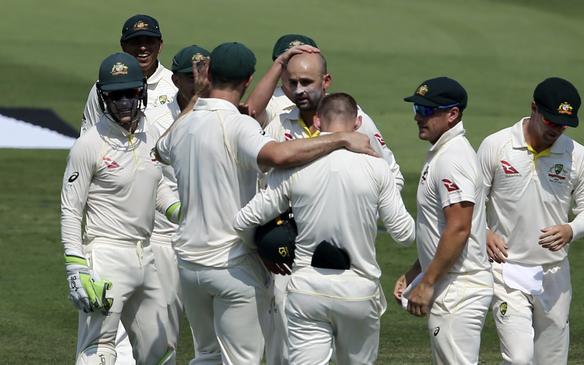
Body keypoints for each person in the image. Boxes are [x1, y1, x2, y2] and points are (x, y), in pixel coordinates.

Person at [155, 42, 376, 364]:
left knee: (206, 356)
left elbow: (160, 149)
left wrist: (195, 99)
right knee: (242, 360)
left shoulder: (183, 124)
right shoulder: (239, 125)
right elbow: (278, 154)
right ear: (247, 81)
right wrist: (341, 138)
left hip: (189, 265)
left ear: (209, 76)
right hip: (231, 263)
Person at [233, 92, 415, 364]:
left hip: (306, 291)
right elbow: (404, 235)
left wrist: (262, 248)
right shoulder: (378, 168)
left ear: (317, 121)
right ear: (358, 123)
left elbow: (243, 221)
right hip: (358, 292)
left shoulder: (294, 168)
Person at [61, 52, 178, 365]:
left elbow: (158, 184)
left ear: (141, 92)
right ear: (103, 97)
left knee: (160, 352)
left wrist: (179, 211)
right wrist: (76, 266)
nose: (124, 102)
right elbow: (71, 209)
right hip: (106, 257)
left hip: (145, 255)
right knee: (98, 350)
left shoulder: (149, 132)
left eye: (130, 93)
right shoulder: (89, 144)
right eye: (116, 95)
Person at [477, 77, 584, 364]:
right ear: (533, 108)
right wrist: (483, 231)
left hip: (554, 274)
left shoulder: (577, 155)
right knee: (520, 359)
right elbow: (472, 202)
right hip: (507, 271)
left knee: (551, 360)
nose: (556, 130)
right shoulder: (497, 145)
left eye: (562, 124)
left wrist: (572, 229)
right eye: (550, 121)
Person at [394, 77, 493, 364]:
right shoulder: (442, 152)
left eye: (427, 111)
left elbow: (459, 228)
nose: (417, 117)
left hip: (459, 288)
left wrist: (428, 283)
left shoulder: (453, 159)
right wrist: (417, 272)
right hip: (451, 282)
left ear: (452, 115)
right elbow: (437, 228)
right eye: (417, 108)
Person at [246, 36, 404, 190]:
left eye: (306, 82)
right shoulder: (282, 122)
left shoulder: (351, 117)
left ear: (326, 81)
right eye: (294, 83)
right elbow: (258, 170)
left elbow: (392, 176)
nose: (299, 90)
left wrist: (363, 210)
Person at [144, 44, 212, 357]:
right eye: (191, 76)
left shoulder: (226, 115)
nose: (200, 81)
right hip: (165, 237)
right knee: (162, 338)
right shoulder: (156, 118)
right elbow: (155, 160)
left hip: (211, 239)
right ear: (176, 81)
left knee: (212, 339)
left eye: (206, 73)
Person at [81, 14, 177, 134]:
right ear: (123, 46)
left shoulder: (175, 84)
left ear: (160, 45)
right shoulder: (105, 87)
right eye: (136, 42)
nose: (143, 47)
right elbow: (88, 134)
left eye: (149, 41)